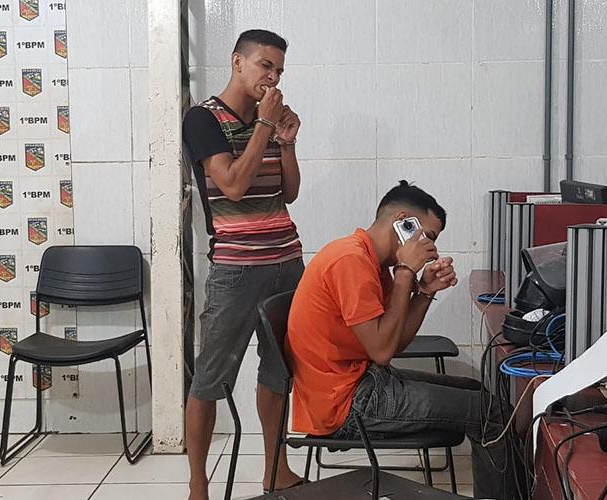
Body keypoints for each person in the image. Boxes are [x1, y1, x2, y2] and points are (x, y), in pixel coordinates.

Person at [286, 181, 514, 499]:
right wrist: (406, 271)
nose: (430, 248)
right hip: (345, 404)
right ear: (403, 222)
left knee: (478, 392)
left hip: (361, 382)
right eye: (427, 236)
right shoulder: (350, 261)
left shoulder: (373, 261)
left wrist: (425, 291)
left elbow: (393, 344)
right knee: (494, 414)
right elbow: (382, 352)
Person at [181, 29, 304, 500]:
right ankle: (198, 486)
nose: (272, 78)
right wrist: (265, 127)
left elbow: (288, 192)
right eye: (265, 66)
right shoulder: (203, 119)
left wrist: (286, 142)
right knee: (210, 378)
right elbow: (231, 185)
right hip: (236, 269)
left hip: (286, 263)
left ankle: (276, 470)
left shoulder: (267, 120)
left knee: (278, 372)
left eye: (279, 71)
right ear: (237, 62)